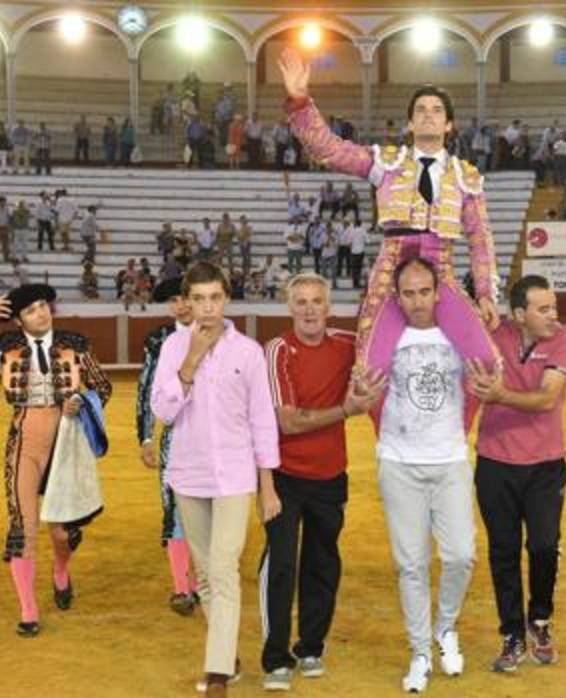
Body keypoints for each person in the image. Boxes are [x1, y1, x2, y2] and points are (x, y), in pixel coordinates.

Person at [279, 49, 499, 378]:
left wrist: (485, 294)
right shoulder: (386, 163)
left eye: (437, 110)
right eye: (421, 110)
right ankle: (390, 431)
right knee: (369, 370)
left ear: (448, 124)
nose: (428, 115)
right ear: (410, 122)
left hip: (442, 271)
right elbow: (328, 149)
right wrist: (300, 100)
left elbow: (480, 238)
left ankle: (456, 431)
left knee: (488, 362)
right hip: (389, 271)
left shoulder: (466, 177)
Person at [0, 286, 113, 637]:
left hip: (67, 441)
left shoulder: (76, 344)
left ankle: (61, 571)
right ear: (18, 320)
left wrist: (78, 401)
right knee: (23, 527)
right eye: (31, 310)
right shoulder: (3, 349)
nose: (41, 313)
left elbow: (103, 387)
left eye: (43, 306)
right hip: (24, 441)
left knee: (63, 531)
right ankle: (29, 610)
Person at [151, 262, 282, 697]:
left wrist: (267, 487)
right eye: (199, 299)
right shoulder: (173, 348)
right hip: (188, 475)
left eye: (215, 298)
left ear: (226, 299)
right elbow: (163, 412)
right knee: (205, 576)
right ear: (187, 302)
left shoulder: (248, 352)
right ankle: (228, 655)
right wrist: (191, 360)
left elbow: (262, 421)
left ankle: (218, 672)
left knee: (223, 569)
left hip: (235, 476)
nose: (207, 308)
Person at [258, 274, 385, 691]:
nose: (310, 309)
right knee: (282, 564)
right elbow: (288, 421)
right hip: (284, 477)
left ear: (328, 307)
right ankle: (276, 656)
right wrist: (347, 410)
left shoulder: (348, 345)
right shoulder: (276, 351)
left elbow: (383, 336)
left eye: (317, 301)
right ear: (289, 307)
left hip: (330, 475)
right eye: (301, 302)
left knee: (322, 562)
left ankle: (310, 646)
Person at [374, 258, 477, 693]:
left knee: (460, 555)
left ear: (438, 293)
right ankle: (419, 651)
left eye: (424, 291)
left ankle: (445, 627)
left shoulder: (461, 335)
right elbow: (370, 391)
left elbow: (482, 378)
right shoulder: (384, 339)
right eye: (408, 293)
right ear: (397, 296)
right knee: (410, 564)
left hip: (450, 459)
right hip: (399, 462)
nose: (417, 301)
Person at [466, 275, 566, 673]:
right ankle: (512, 632)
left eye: (554, 306)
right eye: (543, 309)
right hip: (496, 463)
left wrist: (499, 396)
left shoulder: (563, 339)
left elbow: (547, 398)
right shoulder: (494, 333)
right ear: (518, 314)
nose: (553, 315)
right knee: (504, 550)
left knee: (545, 546)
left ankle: (540, 619)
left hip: (546, 465)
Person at [137, 277, 199, 615]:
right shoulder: (158, 340)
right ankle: (182, 587)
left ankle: (198, 581)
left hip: (212, 435)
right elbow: (147, 390)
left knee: (206, 508)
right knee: (175, 507)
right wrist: (146, 436)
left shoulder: (216, 333)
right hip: (174, 434)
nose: (181, 305)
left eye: (185, 297)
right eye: (173, 300)